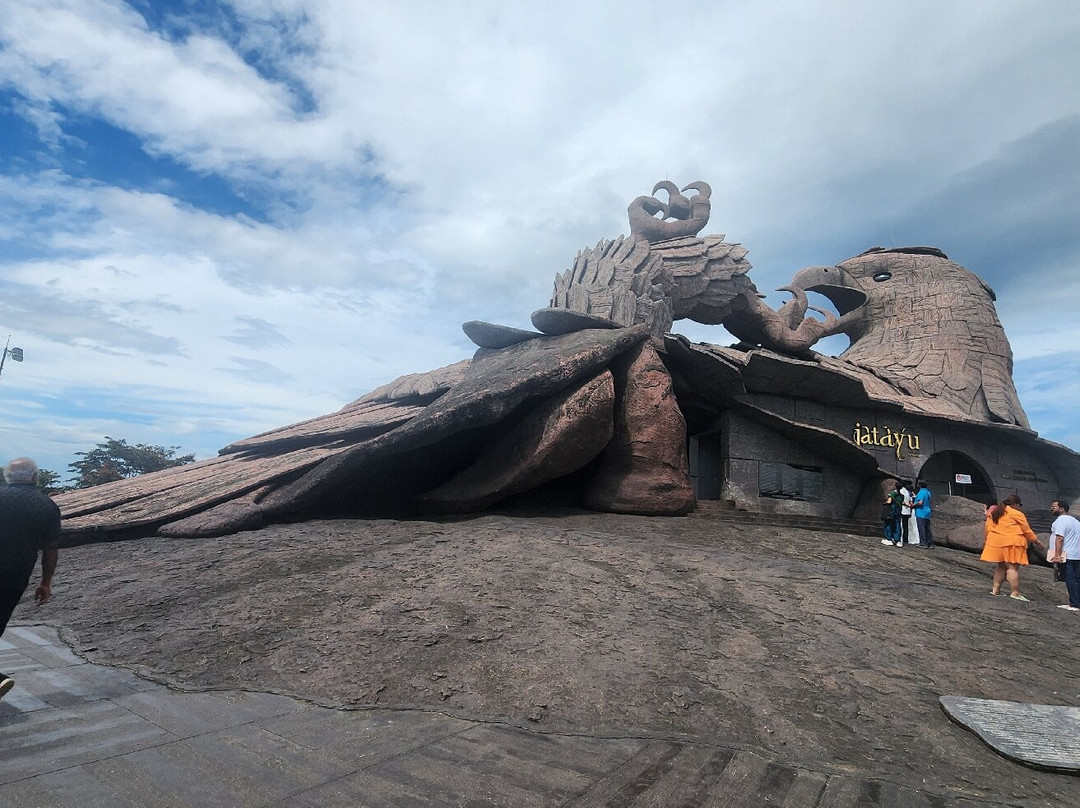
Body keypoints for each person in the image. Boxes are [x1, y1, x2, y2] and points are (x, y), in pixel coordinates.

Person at [0, 457, 61, 700]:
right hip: (15, 574)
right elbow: (51, 548)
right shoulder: (47, 505)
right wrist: (46, 582)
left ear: (6, 477)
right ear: (35, 478)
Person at [981, 494, 1043, 601]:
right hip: (1012, 543)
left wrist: (987, 540)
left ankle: (995, 590)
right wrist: (1036, 541)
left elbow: (987, 528)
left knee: (1001, 566)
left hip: (996, 542)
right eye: (1020, 505)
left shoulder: (994, 513)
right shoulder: (1017, 514)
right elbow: (1026, 530)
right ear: (1015, 504)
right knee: (1012, 567)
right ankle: (1015, 593)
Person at [1048, 499, 1080, 611]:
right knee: (1076, 579)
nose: (1051, 508)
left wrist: (1057, 555)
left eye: (1054, 506)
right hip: (1076, 554)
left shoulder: (1061, 520)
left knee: (1070, 578)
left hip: (1066, 554)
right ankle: (1076, 602)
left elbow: (1060, 538)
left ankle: (1074, 604)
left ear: (1061, 509)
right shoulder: (1076, 521)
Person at [880, 481, 904, 546]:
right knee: (897, 525)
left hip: (891, 510)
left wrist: (884, 503)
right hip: (898, 511)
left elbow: (889, 501)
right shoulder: (902, 495)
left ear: (895, 487)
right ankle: (898, 540)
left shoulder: (892, 493)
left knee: (888, 524)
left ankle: (889, 539)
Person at [912, 480, 933, 547]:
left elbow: (920, 502)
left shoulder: (921, 492)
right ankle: (929, 542)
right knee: (927, 528)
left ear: (919, 485)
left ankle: (923, 542)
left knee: (921, 527)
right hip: (927, 511)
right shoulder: (928, 492)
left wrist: (913, 505)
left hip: (921, 512)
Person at [898, 479, 914, 546]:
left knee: (900, 525)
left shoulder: (901, 491)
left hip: (902, 510)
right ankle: (905, 539)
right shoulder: (907, 492)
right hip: (907, 511)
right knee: (905, 526)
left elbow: (901, 500)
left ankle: (899, 538)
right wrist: (910, 506)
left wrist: (905, 504)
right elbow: (910, 501)